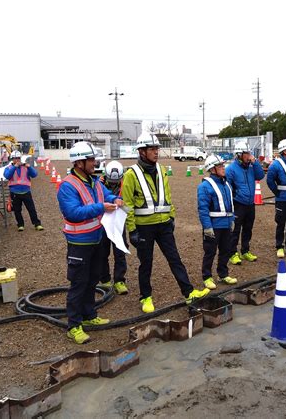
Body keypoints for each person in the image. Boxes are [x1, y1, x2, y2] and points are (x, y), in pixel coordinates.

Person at [122, 132, 209, 313]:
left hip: (163, 225)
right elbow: (127, 204)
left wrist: (171, 217)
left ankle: (189, 292)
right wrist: (132, 230)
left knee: (175, 259)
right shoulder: (131, 174)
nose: (156, 152)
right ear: (142, 152)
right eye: (152, 149)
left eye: (157, 149)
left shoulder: (162, 171)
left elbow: (168, 197)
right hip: (143, 228)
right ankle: (145, 297)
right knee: (146, 264)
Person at [57, 141, 123, 344]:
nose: (94, 163)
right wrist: (100, 207)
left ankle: (90, 316)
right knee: (79, 283)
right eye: (91, 160)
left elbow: (106, 194)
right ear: (79, 163)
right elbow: (73, 213)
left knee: (93, 279)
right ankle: (74, 326)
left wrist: (116, 199)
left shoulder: (94, 181)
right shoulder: (68, 185)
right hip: (79, 243)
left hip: (96, 239)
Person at [198, 154, 238, 289]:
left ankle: (223, 274)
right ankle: (207, 277)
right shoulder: (205, 186)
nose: (223, 168)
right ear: (212, 169)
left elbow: (230, 204)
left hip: (226, 224)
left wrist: (232, 219)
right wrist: (207, 227)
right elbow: (203, 209)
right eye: (220, 166)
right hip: (214, 226)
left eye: (223, 165)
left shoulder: (226, 184)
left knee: (225, 250)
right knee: (210, 252)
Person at [226, 142, 264, 265]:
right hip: (238, 204)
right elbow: (227, 186)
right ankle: (232, 253)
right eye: (246, 153)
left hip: (250, 203)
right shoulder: (231, 169)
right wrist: (234, 198)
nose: (249, 156)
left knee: (248, 228)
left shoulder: (251, 167)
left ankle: (245, 251)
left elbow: (260, 175)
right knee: (235, 230)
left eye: (249, 153)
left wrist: (255, 162)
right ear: (239, 155)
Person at [98, 160, 129, 295]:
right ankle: (105, 279)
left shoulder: (126, 184)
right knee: (102, 252)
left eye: (116, 182)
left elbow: (130, 200)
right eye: (111, 181)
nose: (114, 184)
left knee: (120, 251)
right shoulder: (98, 184)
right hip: (103, 222)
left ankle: (119, 280)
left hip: (118, 222)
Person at [3, 151, 44, 232]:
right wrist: (14, 167)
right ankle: (20, 225)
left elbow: (34, 174)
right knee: (17, 210)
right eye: (15, 158)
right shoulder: (8, 168)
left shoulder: (25, 167)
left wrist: (29, 167)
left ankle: (37, 224)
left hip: (26, 192)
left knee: (31, 209)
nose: (17, 160)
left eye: (18, 158)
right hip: (14, 193)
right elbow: (7, 176)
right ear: (12, 159)